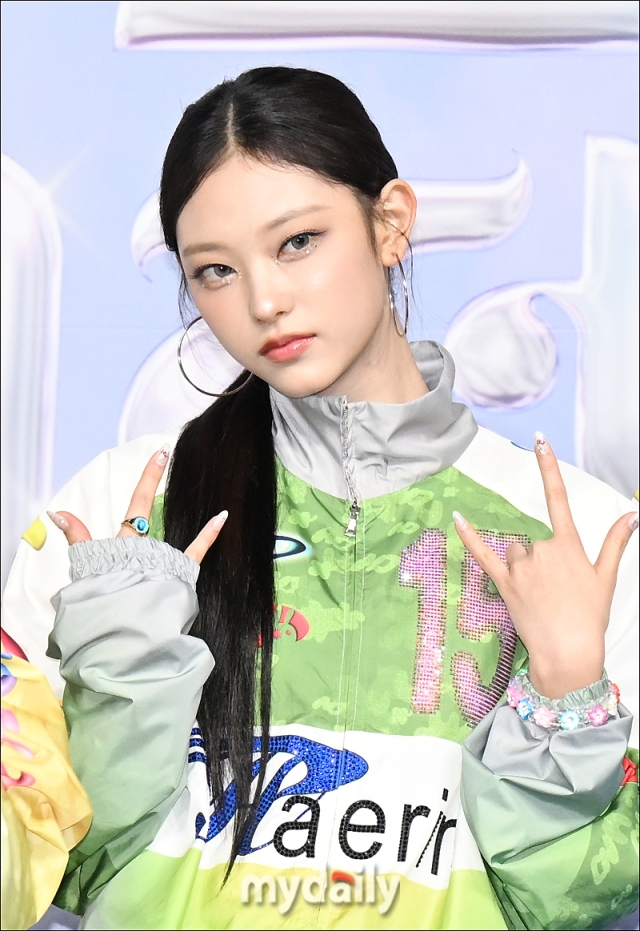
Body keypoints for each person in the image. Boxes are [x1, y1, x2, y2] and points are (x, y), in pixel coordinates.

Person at [2, 66, 638, 931]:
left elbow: (571, 902)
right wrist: (121, 681)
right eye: (216, 270)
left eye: (297, 241)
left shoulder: (582, 538)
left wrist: (565, 694)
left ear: (390, 222)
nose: (264, 300)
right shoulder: (119, 515)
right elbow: (62, 872)